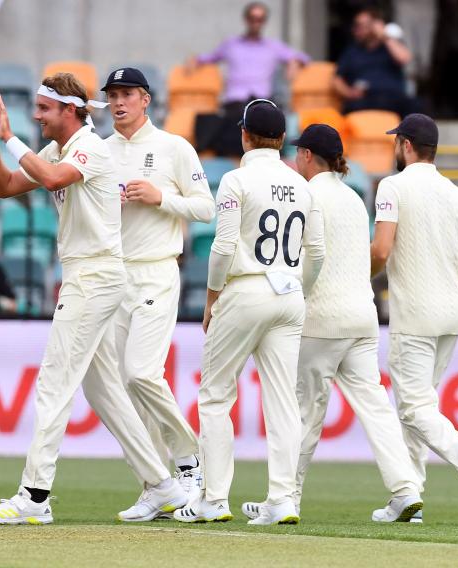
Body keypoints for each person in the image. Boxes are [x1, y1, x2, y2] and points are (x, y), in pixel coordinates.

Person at [0, 73, 186, 524]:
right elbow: (4, 187)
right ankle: (162, 483)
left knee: (54, 384)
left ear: (69, 110)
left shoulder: (91, 147)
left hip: (94, 276)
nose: (37, 117)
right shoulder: (58, 148)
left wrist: (11, 136)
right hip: (87, 275)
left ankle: (34, 497)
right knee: (103, 389)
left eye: (44, 109)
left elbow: (51, 177)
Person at [239, 124, 423, 524]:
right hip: (362, 316)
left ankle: (284, 499)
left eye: (297, 154)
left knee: (303, 414)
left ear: (306, 156)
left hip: (321, 318)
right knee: (376, 408)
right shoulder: (355, 198)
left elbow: (307, 259)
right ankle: (406, 489)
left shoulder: (306, 194)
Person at [174, 99, 325, 526]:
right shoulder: (303, 185)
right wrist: (301, 290)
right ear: (281, 139)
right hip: (289, 293)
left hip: (245, 288)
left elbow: (222, 248)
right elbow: (317, 252)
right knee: (282, 400)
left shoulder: (237, 180)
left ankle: (214, 499)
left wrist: (211, 297)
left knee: (217, 394)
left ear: (244, 135)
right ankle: (283, 499)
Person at [371, 113, 458, 524]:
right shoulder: (457, 195)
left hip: (415, 314)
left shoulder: (392, 186)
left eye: (397, 142)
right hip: (451, 315)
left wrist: (357, 282)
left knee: (412, 409)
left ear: (406, 145)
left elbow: (380, 250)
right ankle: (409, 499)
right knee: (421, 408)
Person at [101, 67, 214, 510]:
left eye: (127, 93)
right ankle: (154, 485)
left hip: (156, 271)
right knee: (129, 390)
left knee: (141, 373)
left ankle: (189, 458)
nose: (118, 103)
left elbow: (205, 207)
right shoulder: (101, 151)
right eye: (111, 96)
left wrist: (160, 198)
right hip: (114, 277)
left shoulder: (174, 148)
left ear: (145, 99)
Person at [187, 2, 309, 104]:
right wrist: (195, 59)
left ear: (264, 22)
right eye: (252, 18)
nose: (256, 23)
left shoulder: (273, 46)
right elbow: (209, 57)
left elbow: (304, 57)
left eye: (260, 19)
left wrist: (294, 62)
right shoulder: (230, 44)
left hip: (262, 101)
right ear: (246, 19)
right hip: (235, 102)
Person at [333, 7, 415, 116]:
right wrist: (349, 93)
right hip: (364, 100)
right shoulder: (352, 51)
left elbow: (404, 58)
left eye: (361, 26)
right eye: (355, 26)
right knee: (348, 109)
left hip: (393, 98)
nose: (356, 30)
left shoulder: (390, 44)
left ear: (375, 25)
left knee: (414, 107)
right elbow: (336, 79)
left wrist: (384, 36)